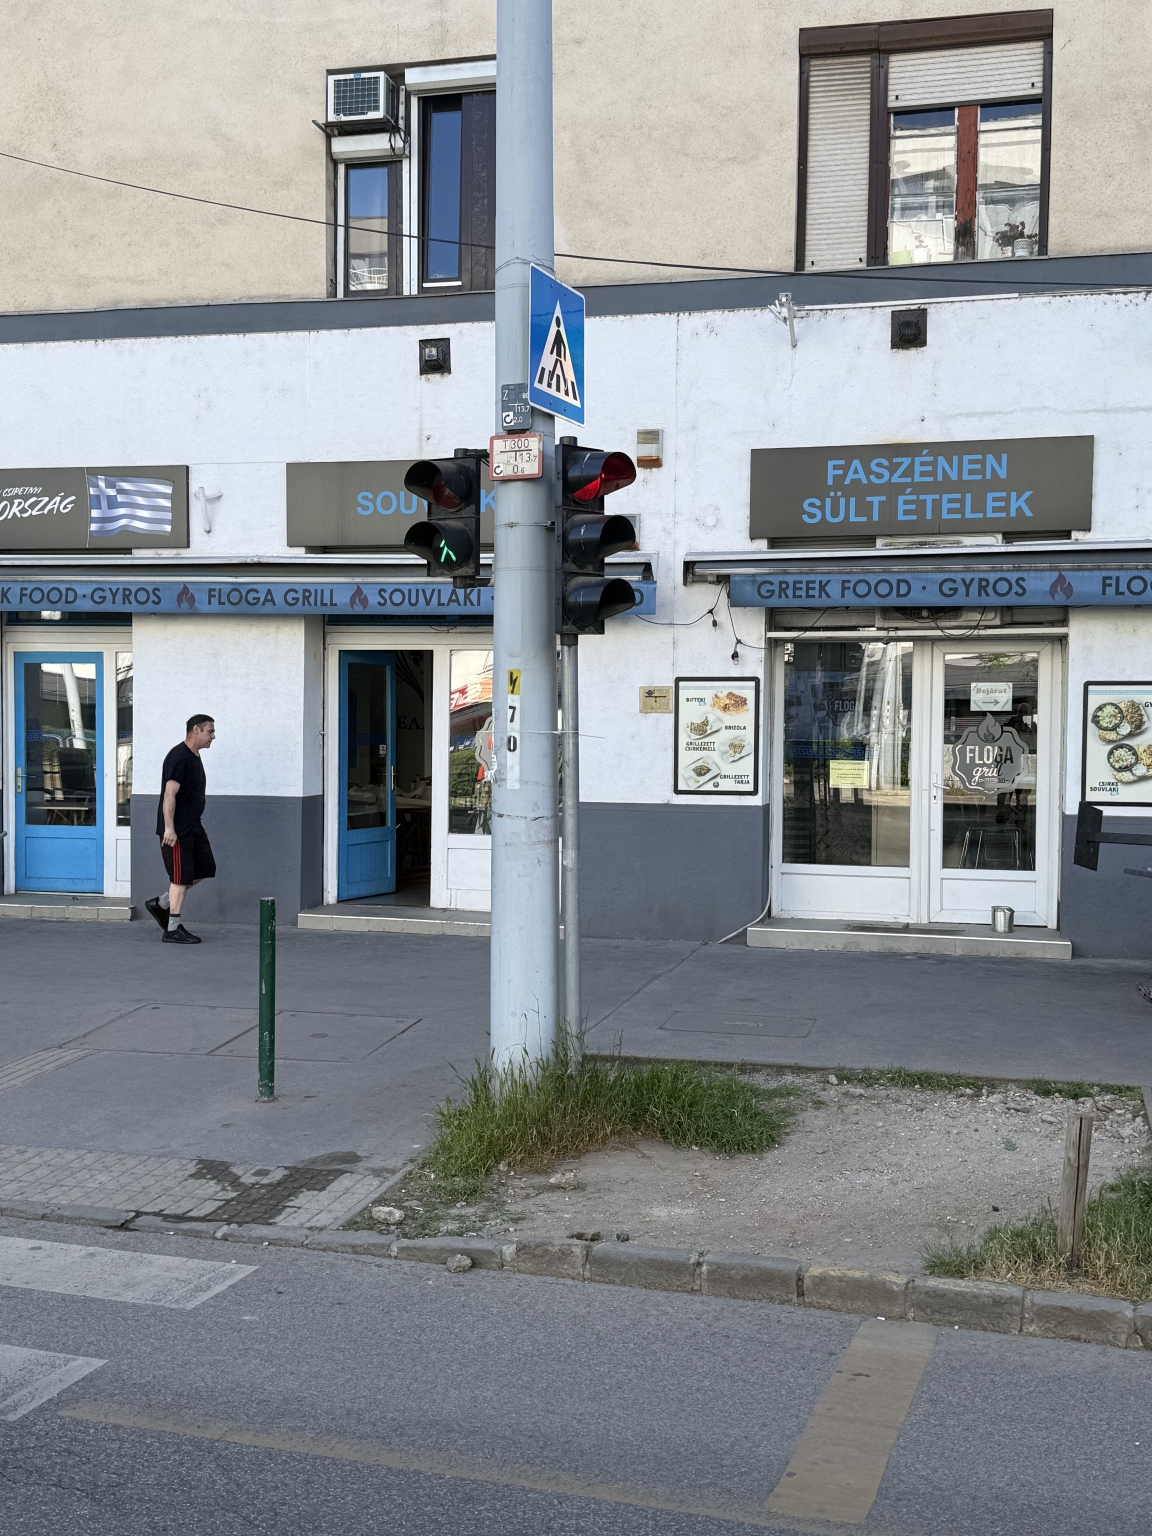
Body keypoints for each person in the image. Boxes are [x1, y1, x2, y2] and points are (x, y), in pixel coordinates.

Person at [145, 714, 216, 944]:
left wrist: (199, 823)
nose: (213, 736)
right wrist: (169, 829)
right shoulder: (178, 756)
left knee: (204, 869)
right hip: (178, 831)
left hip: (193, 827)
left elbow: (190, 797)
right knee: (179, 877)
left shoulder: (195, 757)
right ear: (196, 730)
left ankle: (162, 903)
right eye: (210, 731)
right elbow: (170, 794)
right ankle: (172, 929)